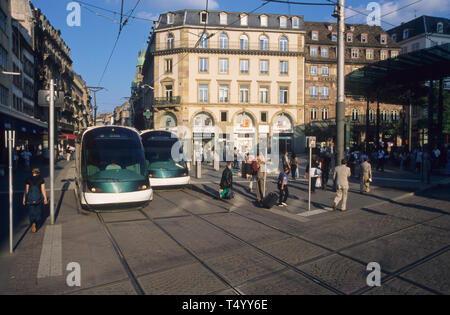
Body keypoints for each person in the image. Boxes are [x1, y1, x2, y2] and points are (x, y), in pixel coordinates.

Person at [23, 168, 48, 233]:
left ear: (32, 172)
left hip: (30, 199)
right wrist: (45, 198)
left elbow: (26, 190)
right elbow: (43, 190)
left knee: (31, 211)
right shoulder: (41, 179)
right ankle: (36, 223)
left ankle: (33, 222)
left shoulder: (28, 179)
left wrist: (24, 199)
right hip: (38, 198)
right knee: (38, 211)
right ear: (38, 172)